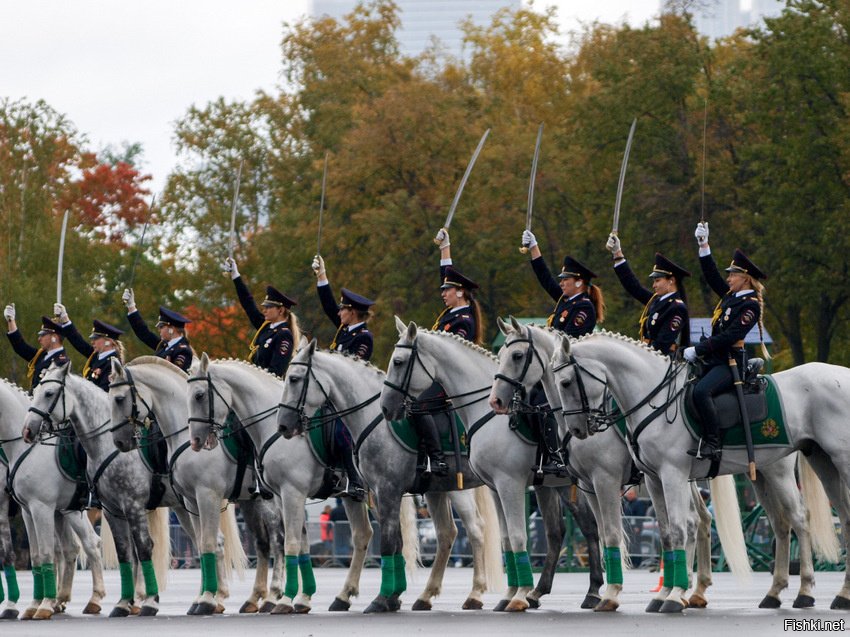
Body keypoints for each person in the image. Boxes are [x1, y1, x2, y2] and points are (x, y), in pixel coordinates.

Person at [520, 229, 607, 475]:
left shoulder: (584, 307)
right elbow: (545, 279)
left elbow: (568, 341)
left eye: (565, 280)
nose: (561, 283)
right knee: (527, 398)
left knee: (544, 404)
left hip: (572, 371)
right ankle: (539, 453)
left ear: (579, 282)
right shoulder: (566, 302)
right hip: (555, 368)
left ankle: (556, 456)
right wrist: (534, 248)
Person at [683, 222, 769, 461]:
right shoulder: (732, 297)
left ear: (746, 279)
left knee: (702, 392)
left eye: (733, 274)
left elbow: (731, 336)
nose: (728, 278)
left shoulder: (749, 304)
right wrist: (703, 245)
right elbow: (711, 276)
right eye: (729, 274)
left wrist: (699, 348)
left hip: (730, 362)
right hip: (715, 359)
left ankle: (713, 443)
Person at [410, 228, 484, 476]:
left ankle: (437, 458)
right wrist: (445, 248)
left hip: (451, 382)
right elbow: (447, 275)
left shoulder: (463, 320)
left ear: (460, 292)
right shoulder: (451, 315)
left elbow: (452, 360)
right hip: (438, 377)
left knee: (418, 406)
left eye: (447, 290)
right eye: (443, 290)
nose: (443, 294)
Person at [311, 254, 373, 501]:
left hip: (352, 399)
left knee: (340, 432)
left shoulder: (364, 337)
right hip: (333, 397)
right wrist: (321, 276)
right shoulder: (343, 330)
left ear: (354, 312)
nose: (338, 312)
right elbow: (328, 305)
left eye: (343, 309)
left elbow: (355, 369)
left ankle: (355, 480)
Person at [605, 234, 690, 357]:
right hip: (648, 356)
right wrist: (618, 255)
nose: (654, 285)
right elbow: (634, 287)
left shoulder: (677, 307)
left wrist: (637, 355)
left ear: (671, 280)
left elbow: (662, 344)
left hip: (663, 361)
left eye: (657, 281)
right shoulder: (656, 301)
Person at [222, 258, 299, 378]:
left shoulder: (284, 335)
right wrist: (235, 276)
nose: (264, 310)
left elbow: (276, 372)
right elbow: (248, 303)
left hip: (270, 389)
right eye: (265, 306)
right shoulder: (267, 327)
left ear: (281, 310)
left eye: (269, 307)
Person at [53, 303, 124, 392]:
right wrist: (65, 319)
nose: (92, 341)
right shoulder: (97, 356)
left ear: (108, 341)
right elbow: (78, 342)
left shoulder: (113, 363)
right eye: (92, 338)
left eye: (96, 338)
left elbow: (103, 393)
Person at [121, 288, 193, 371]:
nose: (159, 330)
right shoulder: (163, 346)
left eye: (161, 326)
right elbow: (144, 333)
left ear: (171, 329)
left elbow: (175, 378)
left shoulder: (182, 350)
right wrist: (131, 307)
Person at [3, 307, 70, 392]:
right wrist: (11, 321)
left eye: (43, 335)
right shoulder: (42, 355)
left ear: (54, 337)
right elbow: (21, 347)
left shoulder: (61, 362)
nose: (39, 339)